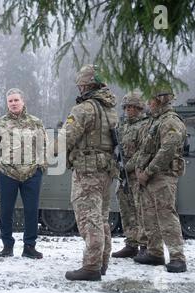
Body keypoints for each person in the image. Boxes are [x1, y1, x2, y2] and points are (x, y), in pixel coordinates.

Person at [63, 65, 118, 281]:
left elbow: (65, 138)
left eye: (80, 84)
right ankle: (102, 262)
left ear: (85, 84)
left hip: (87, 171)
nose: (78, 88)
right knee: (102, 217)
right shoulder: (110, 109)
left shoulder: (84, 109)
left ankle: (91, 266)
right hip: (106, 169)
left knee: (89, 218)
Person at [134, 86, 187, 273]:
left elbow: (168, 150)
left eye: (151, 100)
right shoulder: (156, 121)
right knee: (149, 215)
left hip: (162, 176)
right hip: (150, 177)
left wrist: (147, 172)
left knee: (166, 215)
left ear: (160, 99)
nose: (148, 103)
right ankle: (154, 252)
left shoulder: (170, 121)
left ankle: (177, 257)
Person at [0, 88, 47, 259]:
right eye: (10, 101)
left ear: (23, 101)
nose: (13, 103)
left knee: (31, 211)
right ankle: (7, 246)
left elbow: (44, 145)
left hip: (31, 173)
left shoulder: (35, 122)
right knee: (6, 211)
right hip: (8, 173)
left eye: (16, 100)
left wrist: (41, 167)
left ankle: (29, 246)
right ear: (7, 104)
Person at [112, 91, 149, 258]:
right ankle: (131, 243)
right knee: (126, 210)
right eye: (127, 107)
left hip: (137, 174)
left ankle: (145, 246)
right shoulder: (122, 125)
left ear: (140, 108)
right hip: (123, 174)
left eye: (133, 107)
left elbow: (144, 151)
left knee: (141, 210)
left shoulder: (145, 125)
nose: (129, 110)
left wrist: (128, 167)